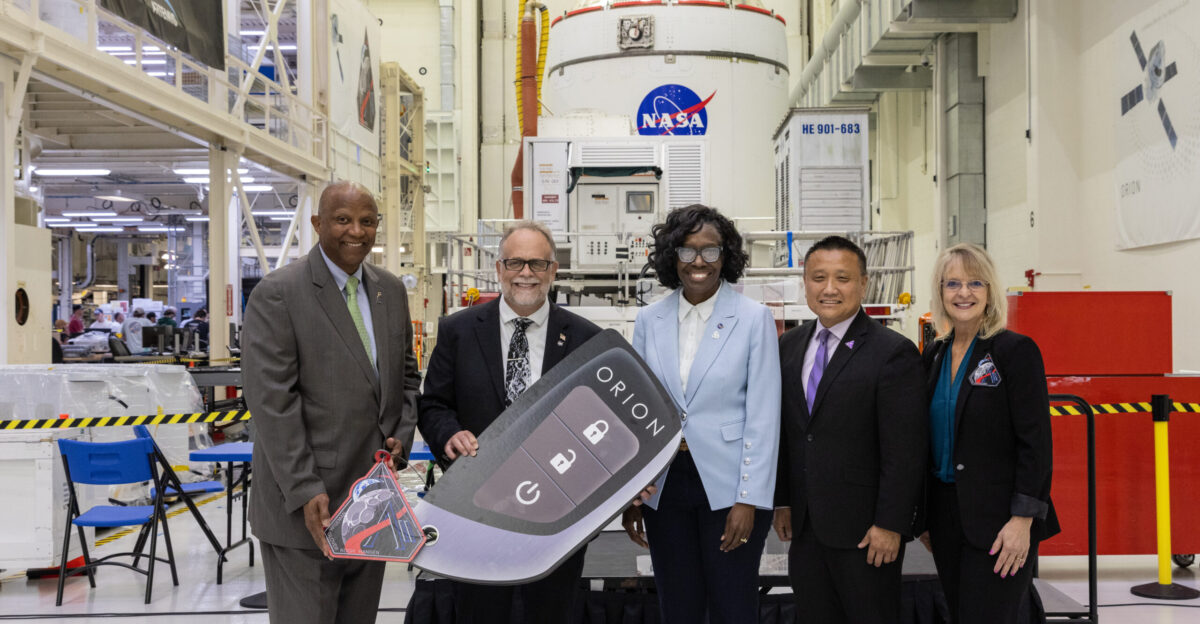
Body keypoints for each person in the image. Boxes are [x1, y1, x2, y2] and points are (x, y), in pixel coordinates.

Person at [242, 181, 421, 624]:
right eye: (342, 220)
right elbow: (272, 404)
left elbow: (405, 378)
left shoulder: (389, 291)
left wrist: (400, 435)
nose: (355, 231)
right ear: (319, 224)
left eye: (366, 221)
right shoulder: (279, 293)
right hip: (307, 507)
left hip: (371, 501)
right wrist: (304, 487)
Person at [417, 220, 602, 623]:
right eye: (515, 262)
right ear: (499, 269)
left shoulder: (587, 339)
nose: (526, 274)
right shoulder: (458, 331)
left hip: (556, 514)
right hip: (477, 506)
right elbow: (433, 406)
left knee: (550, 611)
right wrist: (449, 435)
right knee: (480, 613)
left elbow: (596, 427)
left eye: (538, 264)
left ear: (553, 271)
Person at [618, 204, 780, 623]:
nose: (699, 263)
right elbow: (638, 412)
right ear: (672, 256)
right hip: (665, 485)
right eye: (687, 251)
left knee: (733, 605)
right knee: (678, 605)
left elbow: (763, 417)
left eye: (710, 251)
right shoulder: (650, 320)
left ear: (726, 255)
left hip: (729, 487)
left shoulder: (753, 319)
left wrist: (749, 499)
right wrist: (634, 493)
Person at [774, 235, 927, 623]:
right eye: (818, 277)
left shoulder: (892, 352)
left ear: (863, 284)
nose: (829, 289)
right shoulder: (788, 346)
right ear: (805, 283)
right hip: (807, 531)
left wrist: (891, 524)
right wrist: (783, 500)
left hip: (867, 533)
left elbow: (905, 450)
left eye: (842, 278)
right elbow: (789, 433)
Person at [919, 243, 1059, 623]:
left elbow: (1036, 443)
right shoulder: (934, 354)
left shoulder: (1015, 351)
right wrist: (926, 517)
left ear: (990, 290)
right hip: (947, 517)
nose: (964, 293)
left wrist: (1023, 520)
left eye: (975, 283)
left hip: (1002, 521)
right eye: (953, 284)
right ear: (940, 291)